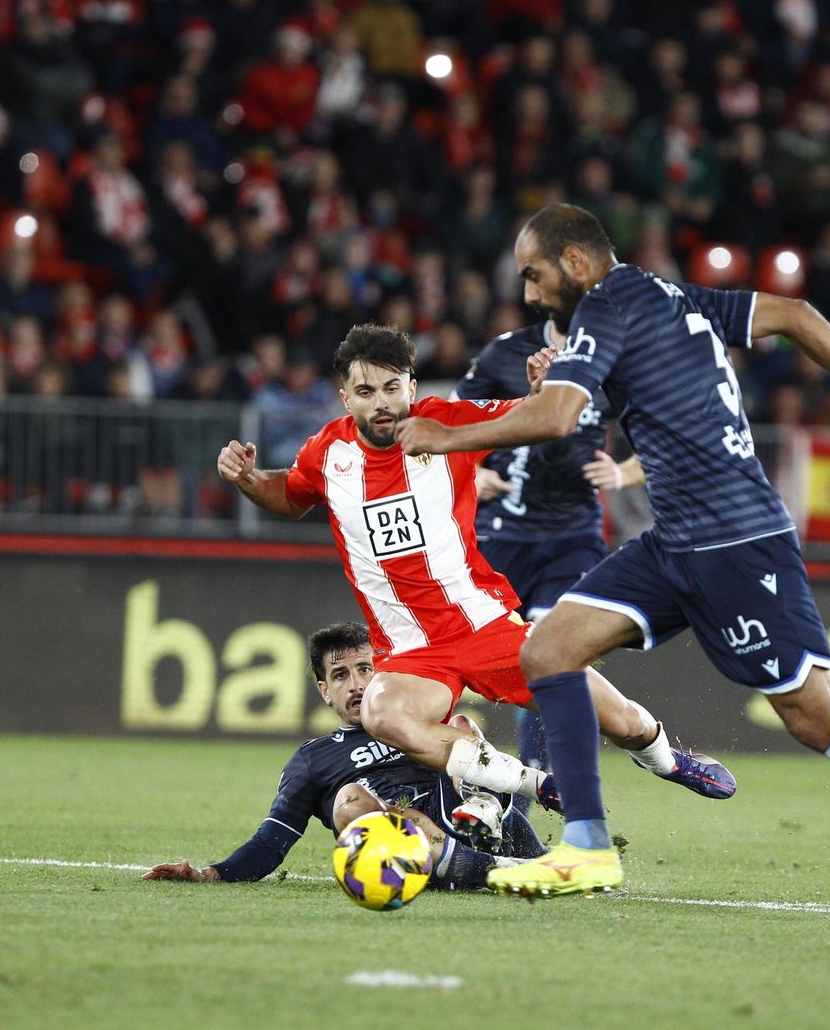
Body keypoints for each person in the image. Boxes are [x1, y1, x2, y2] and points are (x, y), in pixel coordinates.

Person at [398, 203, 830, 934]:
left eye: (534, 274)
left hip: (738, 544)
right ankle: (586, 844)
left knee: (814, 719)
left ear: (577, 263)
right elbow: (794, 314)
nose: (528, 294)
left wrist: (446, 435)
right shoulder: (664, 296)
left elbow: (557, 420)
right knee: (549, 647)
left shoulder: (610, 304)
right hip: (676, 540)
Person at [216, 323, 735, 827]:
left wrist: (540, 392)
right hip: (409, 652)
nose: (382, 403)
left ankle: (667, 760)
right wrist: (248, 480)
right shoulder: (327, 453)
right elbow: (288, 496)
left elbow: (530, 419)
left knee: (620, 721)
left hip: (483, 626)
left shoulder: (448, 423)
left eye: (393, 388)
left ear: (411, 388)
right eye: (366, 390)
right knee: (382, 713)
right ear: (345, 397)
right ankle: (535, 785)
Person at [142, 621, 543, 889]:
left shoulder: (415, 720)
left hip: (485, 825)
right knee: (349, 801)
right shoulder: (314, 759)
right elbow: (271, 842)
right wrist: (209, 874)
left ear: (382, 670)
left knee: (459, 726)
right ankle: (500, 871)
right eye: (340, 675)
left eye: (365, 669)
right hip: (423, 859)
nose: (356, 685)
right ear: (323, 690)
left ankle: (496, 823)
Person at [454, 319, 642, 810]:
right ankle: (454, 783)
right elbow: (447, 420)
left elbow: (666, 438)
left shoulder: (613, 351)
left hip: (572, 539)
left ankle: (525, 793)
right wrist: (472, 469)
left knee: (550, 650)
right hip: (500, 535)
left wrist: (622, 472)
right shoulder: (505, 352)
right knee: (464, 651)